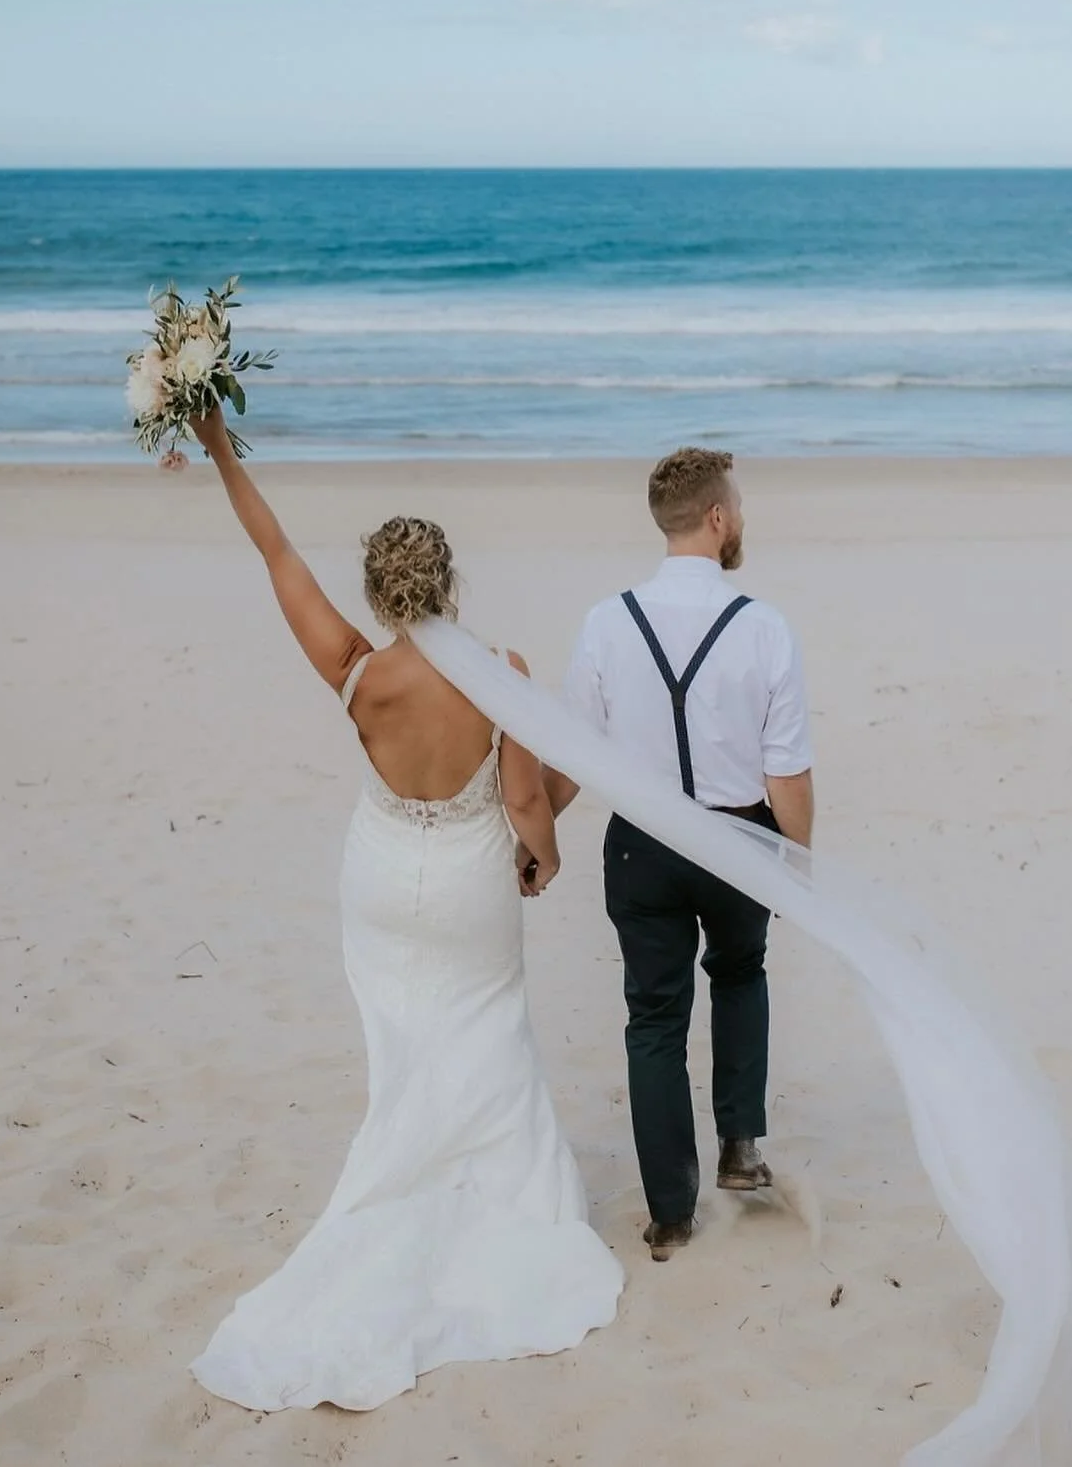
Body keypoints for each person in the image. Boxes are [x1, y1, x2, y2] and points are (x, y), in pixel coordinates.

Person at [185, 406, 622, 1412]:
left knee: (408, 1048)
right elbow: (522, 800)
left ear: (379, 593)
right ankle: (489, 1214)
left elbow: (275, 548)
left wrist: (216, 443)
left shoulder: (355, 667)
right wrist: (543, 860)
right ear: (451, 582)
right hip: (471, 883)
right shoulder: (499, 672)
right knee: (488, 1034)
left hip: (381, 881)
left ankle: (401, 1178)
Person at [543, 447, 814, 1261]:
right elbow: (786, 768)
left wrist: (538, 834)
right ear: (719, 517)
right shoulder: (764, 625)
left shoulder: (605, 620)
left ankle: (670, 1210)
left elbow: (572, 754)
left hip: (643, 847)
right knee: (739, 974)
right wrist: (796, 860)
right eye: (739, 505)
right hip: (738, 840)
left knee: (653, 1018)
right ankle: (740, 1147)